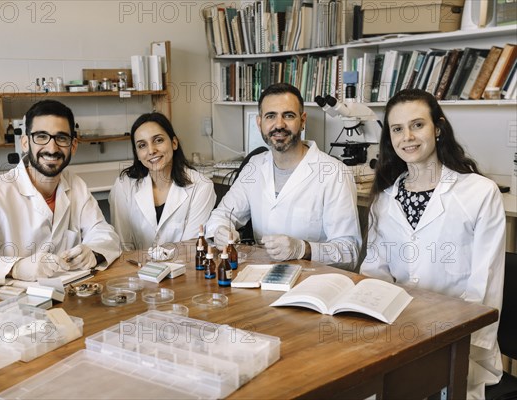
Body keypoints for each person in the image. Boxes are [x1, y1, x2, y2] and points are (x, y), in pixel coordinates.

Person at [360, 89, 505, 399]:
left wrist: (454, 343)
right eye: (397, 129)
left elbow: (486, 282)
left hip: (457, 341)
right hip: (397, 335)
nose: (407, 137)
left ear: (438, 128)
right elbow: (376, 272)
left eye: (417, 125)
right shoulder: (384, 200)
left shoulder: (480, 192)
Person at [0, 100, 122, 285]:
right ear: (25, 143)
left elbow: (104, 232)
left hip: (68, 296)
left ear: (73, 146)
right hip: (10, 305)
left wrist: (93, 251)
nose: (52, 148)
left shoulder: (76, 185)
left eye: (61, 138)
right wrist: (15, 267)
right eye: (41, 137)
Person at [206, 83, 361, 268]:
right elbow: (221, 215)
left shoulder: (334, 173)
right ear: (259, 123)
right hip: (260, 275)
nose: (279, 125)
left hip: (311, 282)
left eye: (288, 115)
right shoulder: (255, 166)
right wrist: (221, 230)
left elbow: (349, 251)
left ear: (303, 121)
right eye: (270, 116)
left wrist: (303, 249)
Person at [109, 112, 216, 250]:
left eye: (158, 140)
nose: (151, 150)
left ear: (174, 143)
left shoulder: (201, 186)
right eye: (142, 145)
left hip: (182, 269)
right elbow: (122, 247)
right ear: (137, 154)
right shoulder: (123, 185)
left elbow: (189, 249)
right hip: (134, 269)